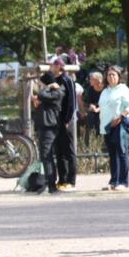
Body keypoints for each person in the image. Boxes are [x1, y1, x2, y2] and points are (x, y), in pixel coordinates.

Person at [98, 66, 129, 190]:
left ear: (119, 77)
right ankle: (114, 180)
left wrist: (121, 116)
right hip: (107, 125)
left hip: (119, 124)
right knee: (112, 154)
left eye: (113, 74)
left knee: (121, 152)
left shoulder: (123, 89)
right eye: (109, 75)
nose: (111, 77)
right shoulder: (105, 91)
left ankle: (123, 181)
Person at [32, 72, 65, 194]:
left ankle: (51, 184)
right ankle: (49, 182)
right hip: (44, 126)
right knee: (45, 156)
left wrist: (48, 87)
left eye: (42, 83)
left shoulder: (56, 92)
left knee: (47, 156)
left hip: (49, 127)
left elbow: (41, 95)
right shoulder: (51, 92)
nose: (41, 86)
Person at [48, 58, 77, 191]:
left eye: (53, 66)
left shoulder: (67, 79)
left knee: (69, 151)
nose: (51, 68)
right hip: (56, 120)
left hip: (66, 120)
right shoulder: (54, 80)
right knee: (59, 151)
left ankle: (71, 180)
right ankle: (62, 179)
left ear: (59, 67)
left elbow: (72, 102)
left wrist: (67, 119)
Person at [83, 72, 105, 145]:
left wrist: (98, 109)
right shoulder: (90, 89)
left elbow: (107, 103)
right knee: (90, 115)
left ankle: (101, 140)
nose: (90, 81)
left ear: (98, 80)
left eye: (92, 79)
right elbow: (89, 101)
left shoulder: (105, 89)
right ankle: (90, 140)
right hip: (95, 109)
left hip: (105, 108)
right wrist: (92, 106)